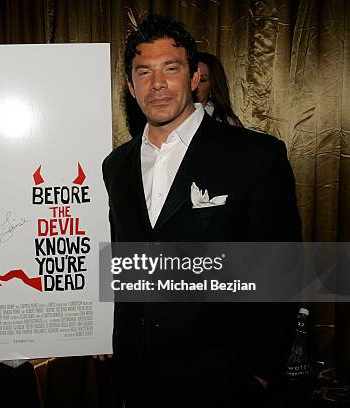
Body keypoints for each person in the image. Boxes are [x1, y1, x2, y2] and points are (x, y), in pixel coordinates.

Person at [102, 14, 302, 407]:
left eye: (171, 69)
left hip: (225, 380)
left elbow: (283, 269)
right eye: (144, 72)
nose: (157, 83)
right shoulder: (116, 165)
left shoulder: (254, 156)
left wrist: (258, 373)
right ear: (130, 86)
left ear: (194, 77)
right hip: (138, 379)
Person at [195, 51, 243, 127]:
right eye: (190, 78)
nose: (194, 84)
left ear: (213, 86)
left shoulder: (226, 122)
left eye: (202, 80)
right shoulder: (173, 116)